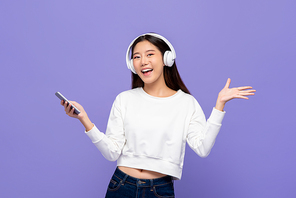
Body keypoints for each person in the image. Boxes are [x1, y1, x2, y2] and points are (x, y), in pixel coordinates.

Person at [60, 33, 255, 197]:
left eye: (150, 54)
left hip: (159, 190)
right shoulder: (124, 99)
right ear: (131, 64)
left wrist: (219, 106)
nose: (143, 61)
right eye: (136, 57)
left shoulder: (186, 103)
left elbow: (203, 148)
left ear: (167, 59)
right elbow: (111, 152)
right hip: (120, 185)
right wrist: (85, 120)